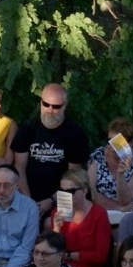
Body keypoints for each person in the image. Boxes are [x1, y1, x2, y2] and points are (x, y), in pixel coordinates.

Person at [13, 82, 91, 219]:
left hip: (64, 197)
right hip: (27, 196)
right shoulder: (27, 129)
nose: (49, 110)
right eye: (45, 104)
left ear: (65, 106)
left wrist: (51, 200)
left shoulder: (75, 134)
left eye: (56, 106)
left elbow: (73, 176)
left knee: (61, 229)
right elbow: (19, 167)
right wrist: (29, 202)